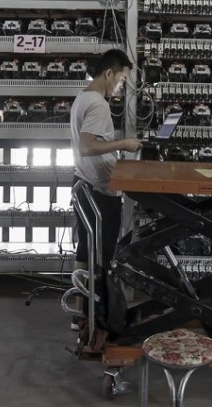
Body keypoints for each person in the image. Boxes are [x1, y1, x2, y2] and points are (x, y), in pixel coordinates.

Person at [70, 48, 142, 327]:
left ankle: (81, 315)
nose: (121, 87)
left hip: (83, 184)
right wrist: (123, 144)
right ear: (109, 73)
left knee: (85, 250)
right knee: (105, 256)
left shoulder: (83, 97)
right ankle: (103, 317)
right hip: (99, 190)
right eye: (122, 80)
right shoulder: (98, 104)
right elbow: (87, 147)